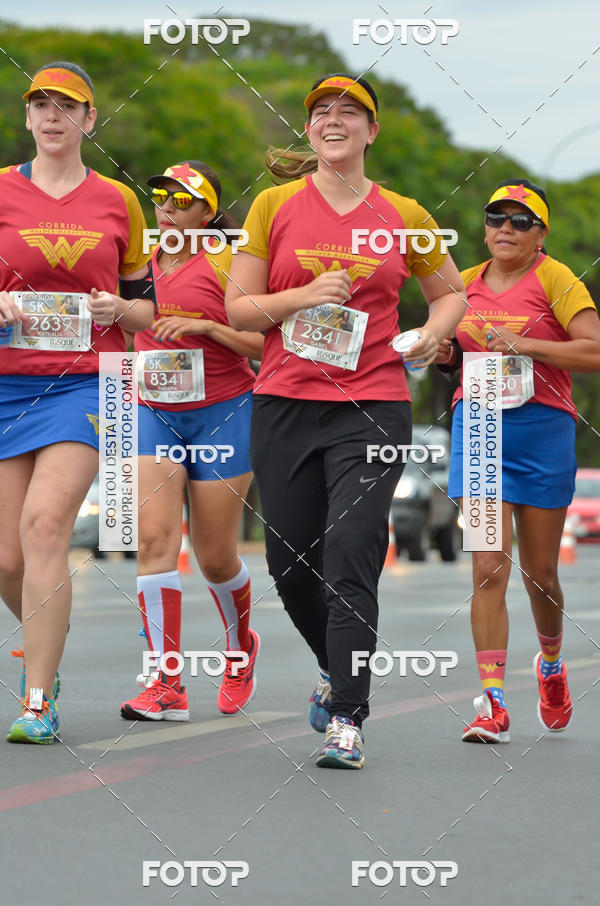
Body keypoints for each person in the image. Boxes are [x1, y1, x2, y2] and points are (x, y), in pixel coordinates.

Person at [225, 73, 466, 768]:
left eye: (349, 113)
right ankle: (334, 670)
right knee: (289, 564)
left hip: (373, 407)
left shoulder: (406, 214)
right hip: (284, 404)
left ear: (371, 131)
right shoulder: (275, 206)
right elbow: (240, 310)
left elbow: (451, 297)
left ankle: (349, 717)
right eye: (322, 112)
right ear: (310, 130)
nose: (334, 121)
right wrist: (301, 295)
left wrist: (428, 333)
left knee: (351, 552)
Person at [0, 62, 155, 743]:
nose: (53, 115)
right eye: (41, 104)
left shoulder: (119, 202)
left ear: (90, 120)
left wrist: (121, 306)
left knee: (43, 527)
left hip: (86, 382)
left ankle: (37, 700)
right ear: (28, 118)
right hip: (8, 384)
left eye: (68, 105)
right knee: (5, 558)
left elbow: (148, 306)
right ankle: (47, 652)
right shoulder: (1, 190)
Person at [439, 178, 600, 743]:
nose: (506, 228)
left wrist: (528, 344)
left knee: (542, 575)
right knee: (487, 568)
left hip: (542, 430)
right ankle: (492, 703)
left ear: (541, 234)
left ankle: (551, 664)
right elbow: (446, 348)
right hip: (479, 427)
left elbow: (594, 350)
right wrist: (438, 351)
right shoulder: (460, 285)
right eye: (496, 218)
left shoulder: (554, 278)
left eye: (521, 220)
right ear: (484, 228)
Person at [120, 161, 263, 722]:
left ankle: (240, 646)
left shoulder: (230, 260)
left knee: (215, 556)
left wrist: (210, 330)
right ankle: (166, 683)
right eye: (160, 197)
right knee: (155, 541)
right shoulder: (137, 263)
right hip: (153, 411)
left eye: (182, 201)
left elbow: (262, 340)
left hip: (224, 414)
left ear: (207, 212)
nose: (167, 208)